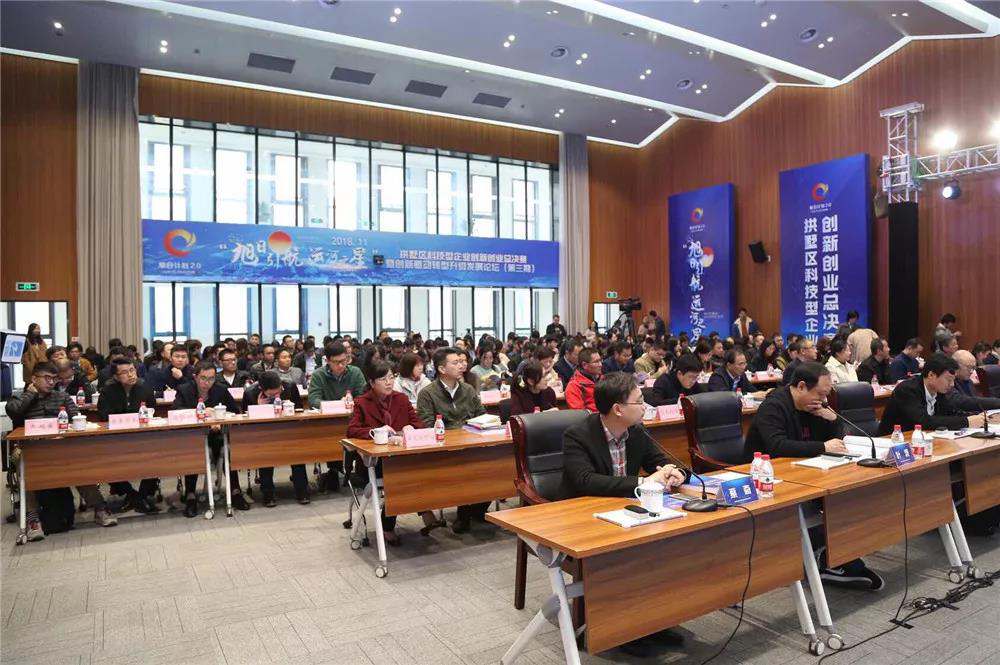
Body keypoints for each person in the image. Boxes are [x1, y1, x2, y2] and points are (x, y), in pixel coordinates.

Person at [745, 362, 885, 590]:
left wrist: (833, 420)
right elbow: (777, 445)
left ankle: (835, 557)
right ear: (801, 386)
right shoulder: (774, 406)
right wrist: (822, 446)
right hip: (770, 478)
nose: (824, 399)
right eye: (820, 394)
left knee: (849, 494)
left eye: (826, 394)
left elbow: (837, 441)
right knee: (835, 500)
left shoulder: (815, 406)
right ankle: (827, 558)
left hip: (807, 471)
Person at [6, 362, 118, 533]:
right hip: (30, 447)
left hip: (60, 446)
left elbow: (75, 418)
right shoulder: (19, 398)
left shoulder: (62, 397)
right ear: (34, 379)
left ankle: (99, 508)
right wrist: (31, 394)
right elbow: (13, 412)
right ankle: (33, 518)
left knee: (79, 465)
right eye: (46, 378)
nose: (51, 382)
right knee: (26, 466)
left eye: (54, 379)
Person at [347, 360, 430, 545]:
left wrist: (411, 427)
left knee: (422, 471)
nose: (389, 382)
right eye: (383, 379)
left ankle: (424, 509)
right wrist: (376, 431)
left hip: (402, 457)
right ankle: (391, 524)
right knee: (400, 476)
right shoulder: (362, 402)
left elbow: (419, 423)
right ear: (371, 382)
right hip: (374, 462)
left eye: (392, 378)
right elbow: (352, 430)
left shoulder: (401, 399)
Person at [416, 347, 488, 533]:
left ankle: (476, 509)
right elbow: (427, 425)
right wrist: (457, 432)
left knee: (495, 465)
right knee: (465, 469)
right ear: (442, 369)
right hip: (443, 449)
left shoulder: (468, 389)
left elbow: (482, 415)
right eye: (455, 363)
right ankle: (465, 513)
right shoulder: (428, 393)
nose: (461, 365)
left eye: (462, 362)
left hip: (472, 445)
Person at [174, 361, 245, 516]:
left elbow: (235, 411)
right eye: (203, 378)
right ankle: (191, 495)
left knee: (228, 450)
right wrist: (200, 413)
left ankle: (235, 491)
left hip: (218, 436)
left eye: (211, 378)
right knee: (193, 452)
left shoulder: (221, 390)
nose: (207, 382)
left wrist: (220, 417)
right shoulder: (184, 390)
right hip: (194, 438)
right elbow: (176, 411)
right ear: (195, 377)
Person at [97, 358, 160, 514]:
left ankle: (143, 494)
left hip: (143, 437)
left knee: (158, 453)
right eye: (125, 372)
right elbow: (104, 416)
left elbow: (152, 412)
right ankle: (130, 494)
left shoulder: (145, 389)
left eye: (132, 370)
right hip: (116, 439)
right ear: (116, 377)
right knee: (104, 459)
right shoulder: (107, 392)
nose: (131, 375)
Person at [877, 354, 990, 436]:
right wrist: (966, 421)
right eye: (948, 380)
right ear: (931, 375)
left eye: (953, 380)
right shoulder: (907, 390)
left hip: (923, 441)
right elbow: (923, 421)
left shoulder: (938, 391)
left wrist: (979, 417)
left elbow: (951, 412)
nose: (952, 384)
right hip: (893, 443)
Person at [243, 371, 310, 506]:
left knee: (297, 449)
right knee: (266, 451)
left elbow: (299, 410)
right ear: (261, 388)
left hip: (289, 430)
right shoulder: (250, 393)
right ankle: (267, 492)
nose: (276, 396)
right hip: (263, 433)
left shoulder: (290, 386)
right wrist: (258, 407)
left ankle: (302, 489)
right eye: (271, 395)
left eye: (278, 392)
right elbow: (245, 421)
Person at [308, 342, 366, 488]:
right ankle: (334, 471)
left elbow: (364, 396)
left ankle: (355, 473)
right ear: (327, 361)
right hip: (328, 423)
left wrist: (351, 402)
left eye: (344, 361)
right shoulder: (319, 375)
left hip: (353, 420)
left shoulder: (355, 372)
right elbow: (313, 399)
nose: (341, 365)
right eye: (336, 362)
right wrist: (335, 405)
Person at [566, 348, 603, 412]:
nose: (600, 364)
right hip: (594, 417)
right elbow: (579, 415)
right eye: (596, 362)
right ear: (584, 365)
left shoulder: (603, 378)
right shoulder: (574, 386)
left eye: (600, 360)